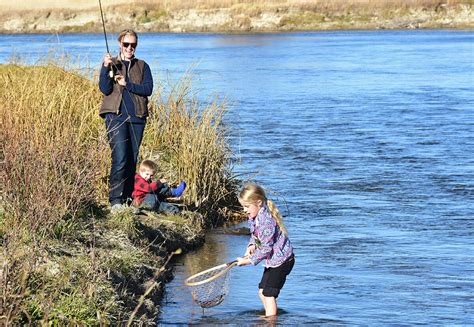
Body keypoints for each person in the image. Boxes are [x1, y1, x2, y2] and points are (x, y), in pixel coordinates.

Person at [99, 29, 153, 210]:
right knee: (120, 158)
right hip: (115, 117)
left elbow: (147, 89)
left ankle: (128, 199)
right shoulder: (112, 63)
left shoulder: (142, 66)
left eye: (133, 45)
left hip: (137, 118)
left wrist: (127, 84)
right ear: (120, 44)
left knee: (132, 159)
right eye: (126, 44)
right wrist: (105, 67)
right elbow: (104, 89)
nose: (130, 48)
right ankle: (115, 199)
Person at [236, 183, 295, 317]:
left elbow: (266, 248)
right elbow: (255, 235)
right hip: (274, 260)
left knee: (269, 294)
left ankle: (270, 322)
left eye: (247, 206)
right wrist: (251, 246)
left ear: (259, 203)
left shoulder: (266, 221)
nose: (244, 210)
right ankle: (269, 316)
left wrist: (248, 261)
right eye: (243, 206)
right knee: (262, 291)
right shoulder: (254, 217)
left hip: (283, 261)